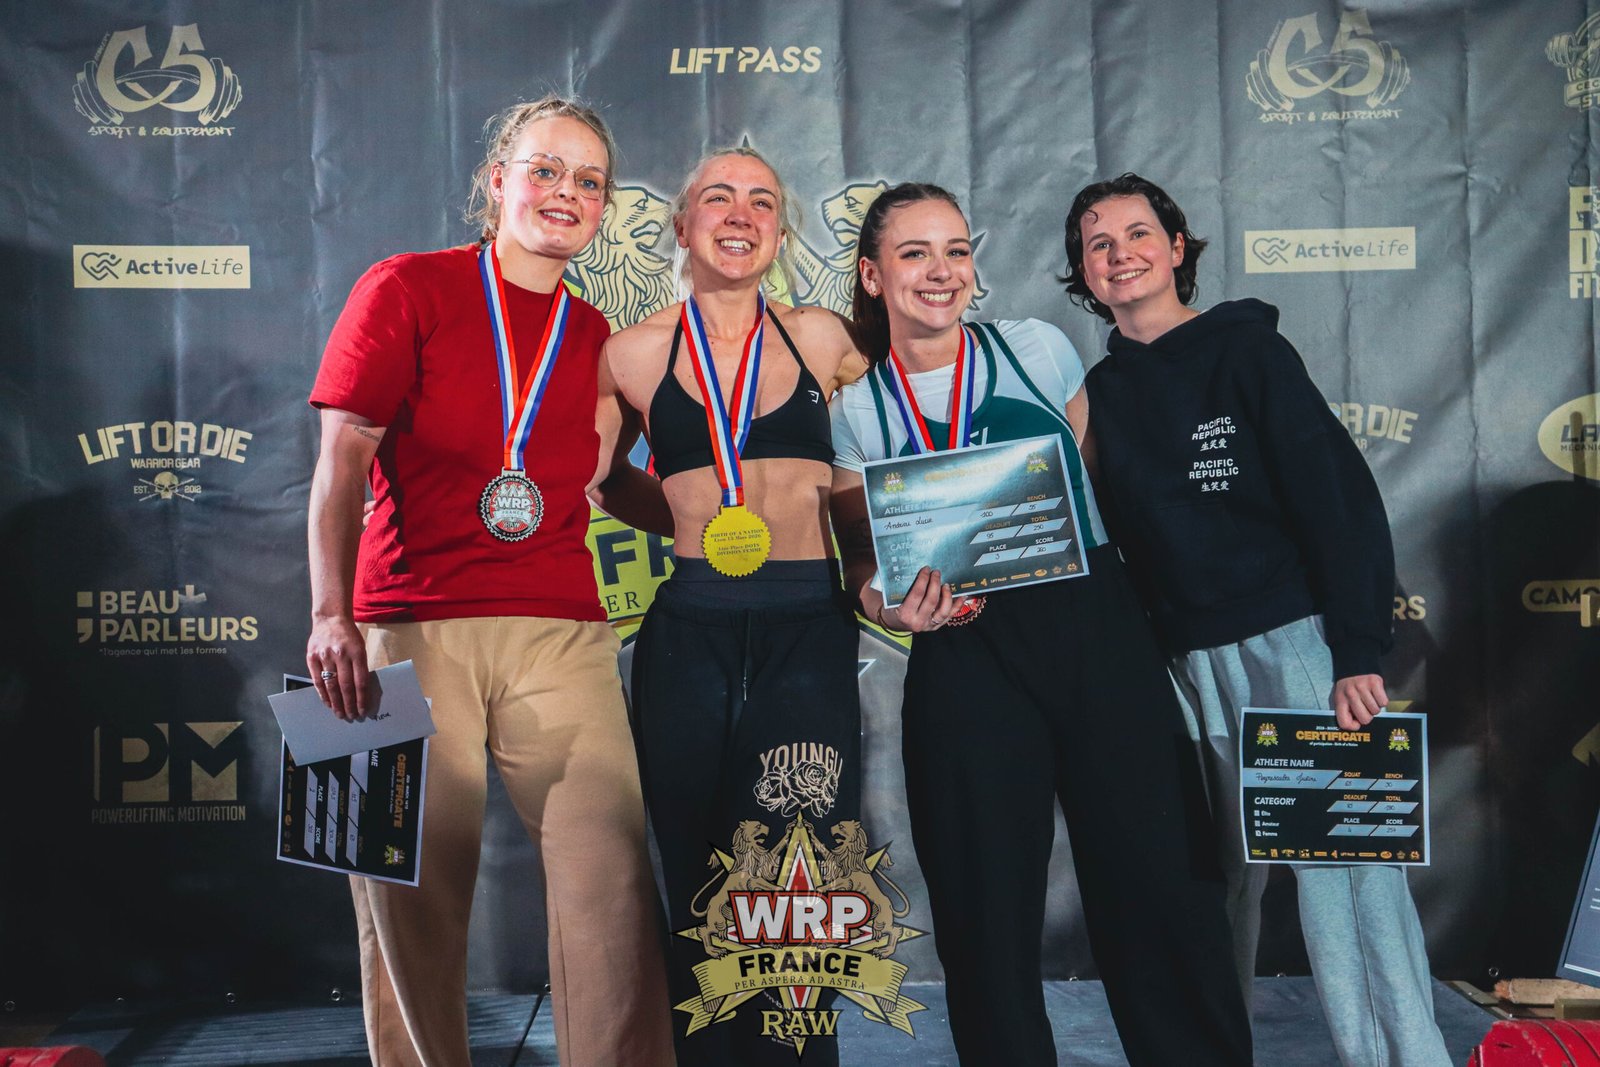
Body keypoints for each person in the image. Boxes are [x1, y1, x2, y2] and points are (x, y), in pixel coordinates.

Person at [829, 182, 1253, 1067]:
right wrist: (889, 607)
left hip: (1093, 626)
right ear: (872, 274)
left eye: (956, 250)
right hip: (962, 653)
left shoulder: (1035, 348)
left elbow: (1106, 493)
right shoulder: (856, 409)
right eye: (914, 253)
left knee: (1160, 884)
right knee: (983, 908)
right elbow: (863, 568)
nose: (941, 271)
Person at [305, 96, 674, 1067]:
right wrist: (330, 614)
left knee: (609, 878)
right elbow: (341, 458)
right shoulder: (406, 286)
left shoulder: (595, 333)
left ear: (603, 208)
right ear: (497, 179)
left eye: (588, 180)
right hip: (408, 623)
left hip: (561, 628)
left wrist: (727, 522)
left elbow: (610, 480)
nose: (565, 192)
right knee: (406, 889)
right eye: (545, 169)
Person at [1065, 172, 1452, 1067]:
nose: (1120, 253)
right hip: (1180, 668)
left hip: (1295, 648)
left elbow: (1338, 500)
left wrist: (1356, 652)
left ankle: (1403, 1058)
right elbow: (1081, 532)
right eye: (1097, 243)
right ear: (1083, 273)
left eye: (1137, 233)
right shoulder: (1097, 395)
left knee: (1349, 879)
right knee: (1207, 888)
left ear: (1176, 248)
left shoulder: (1249, 352)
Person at [596, 145, 867, 1066]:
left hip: (807, 626)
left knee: (802, 873)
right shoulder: (632, 353)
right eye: (718, 197)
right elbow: (599, 478)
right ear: (683, 225)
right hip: (689, 631)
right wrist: (690, 521)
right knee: (698, 867)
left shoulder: (825, 338)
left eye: (762, 201)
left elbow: (895, 444)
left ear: (780, 232)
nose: (740, 214)